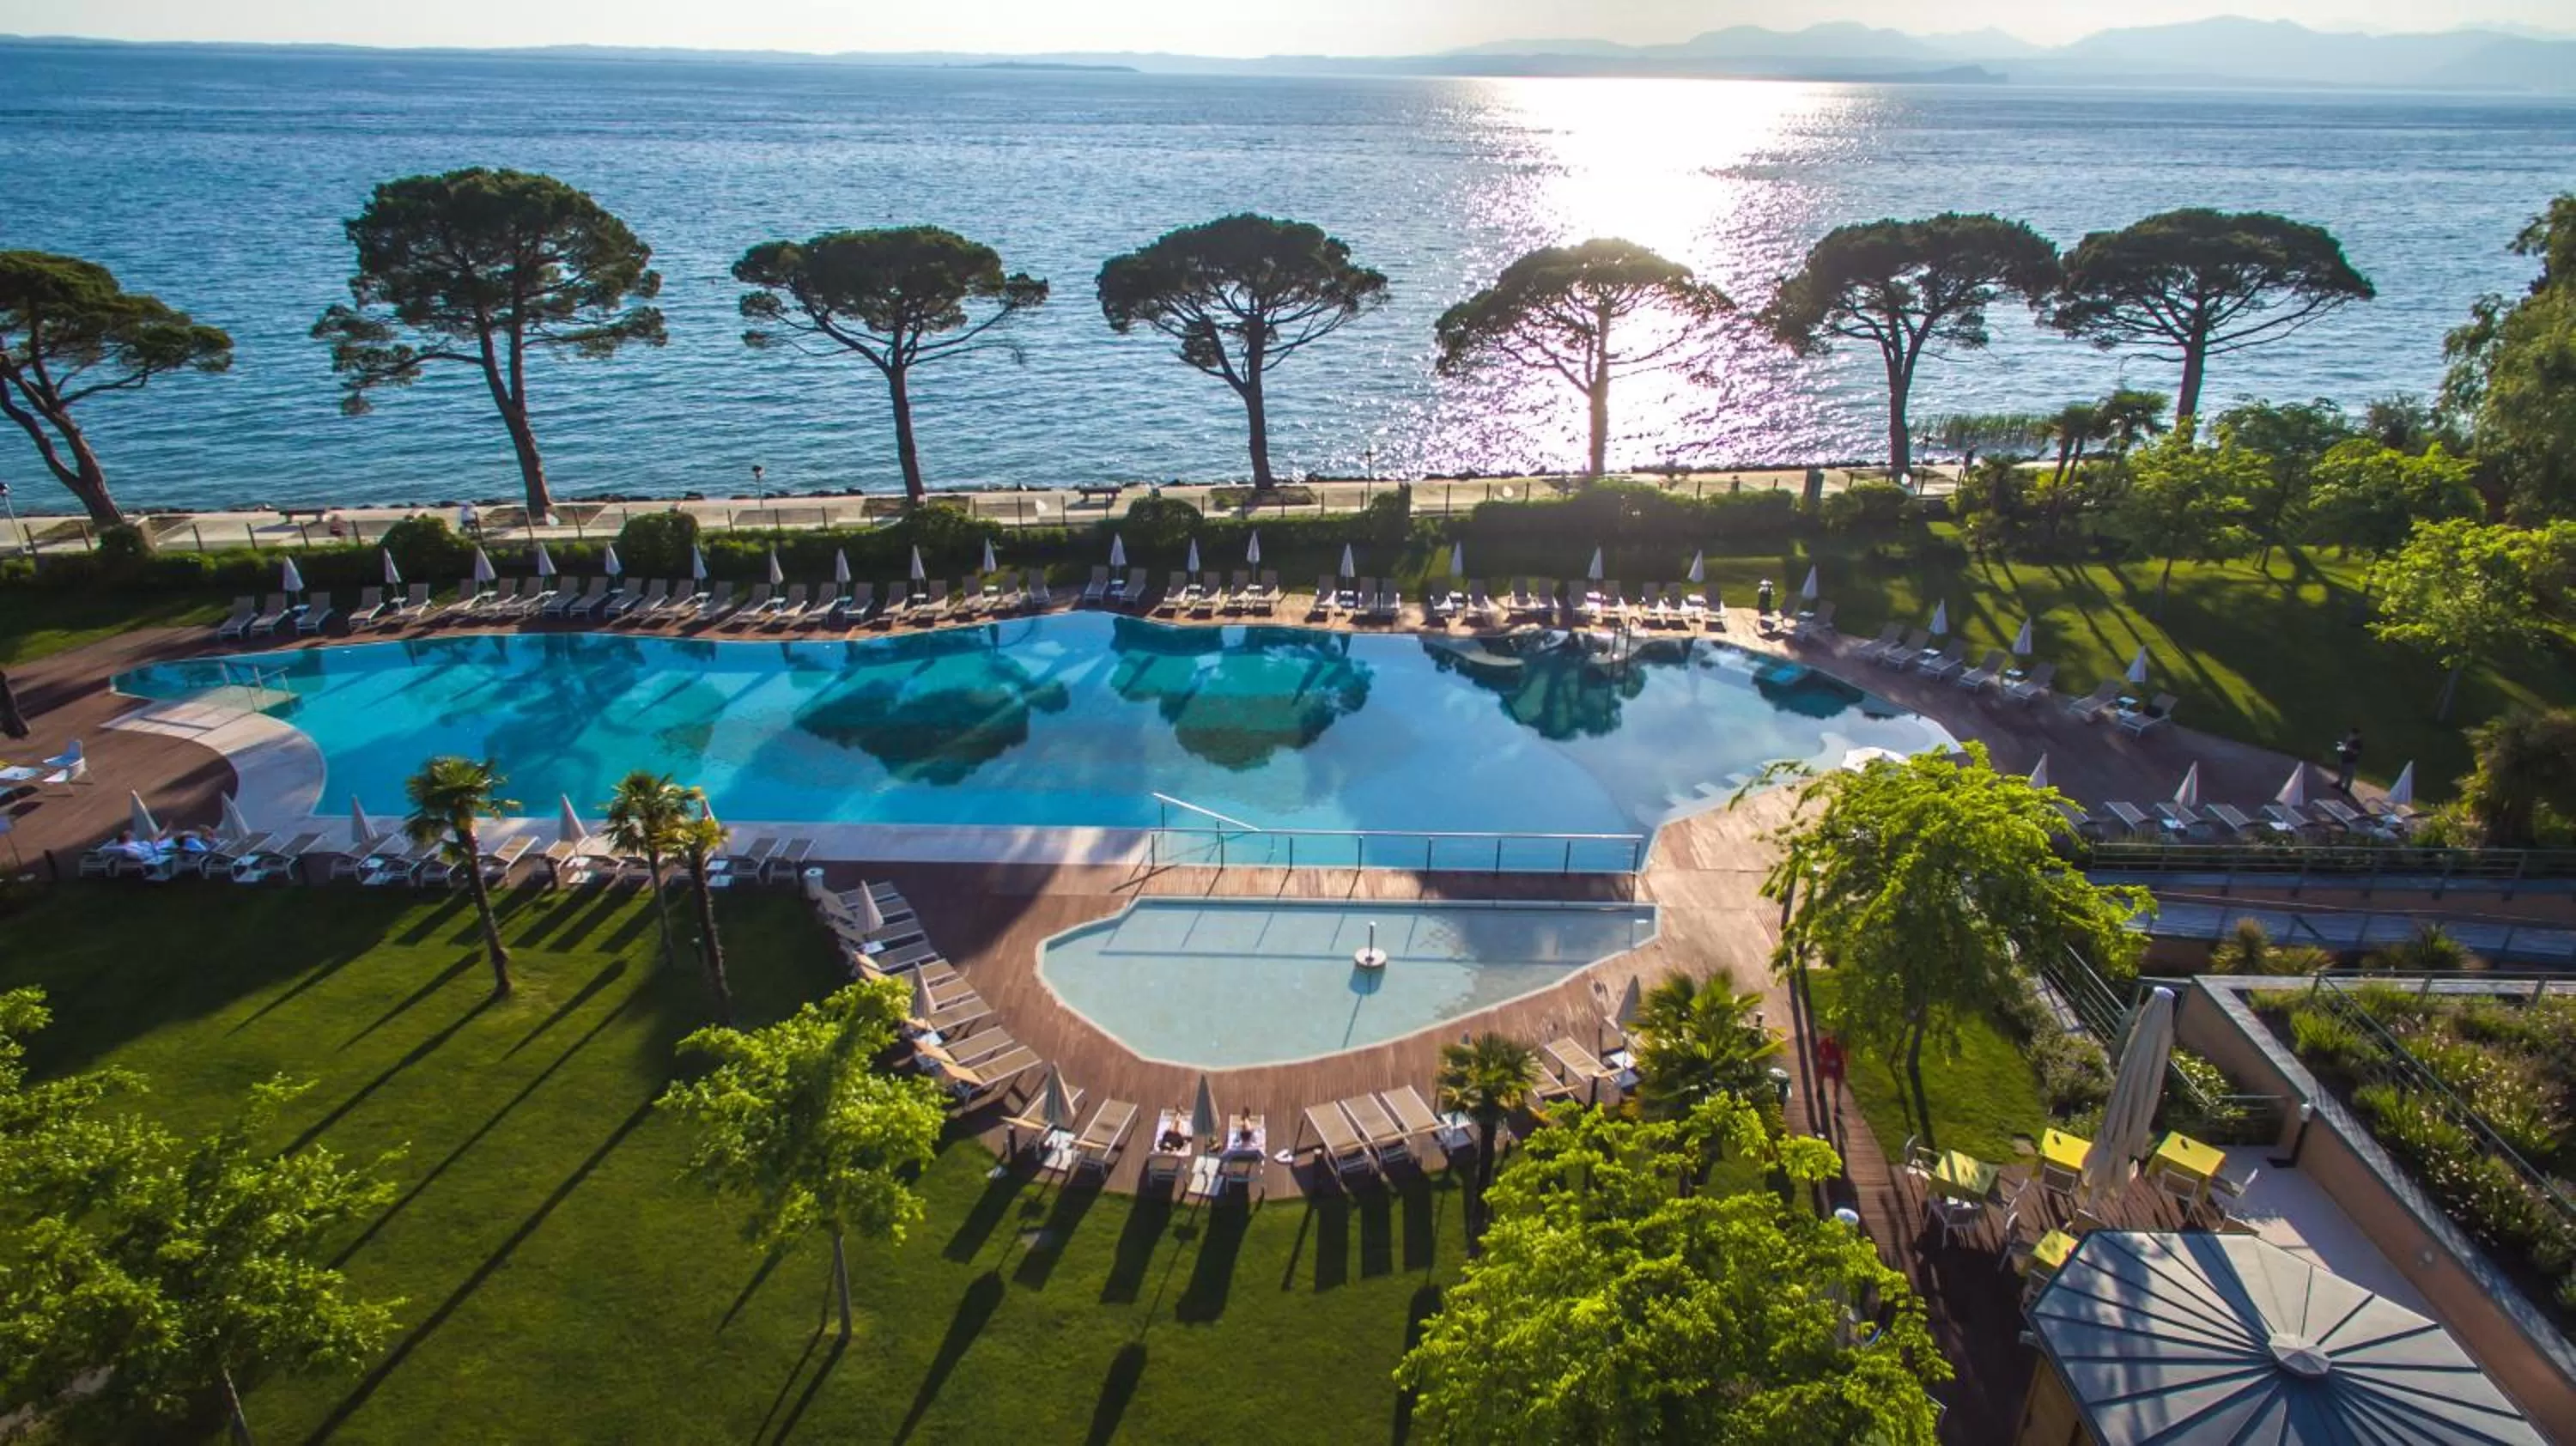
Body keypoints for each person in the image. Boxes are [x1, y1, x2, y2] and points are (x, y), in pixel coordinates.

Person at [2334, 727, 2363, 793]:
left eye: (2353, 735)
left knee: (2349, 776)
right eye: (2351, 734)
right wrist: (2341, 747)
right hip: (2344, 759)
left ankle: (2346, 789)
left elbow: (2356, 752)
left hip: (2351, 761)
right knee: (2342, 773)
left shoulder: (2358, 743)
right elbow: (2344, 748)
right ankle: (2339, 783)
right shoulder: (2349, 740)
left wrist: (2348, 748)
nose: (2351, 735)